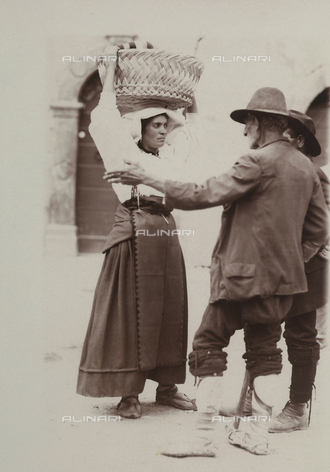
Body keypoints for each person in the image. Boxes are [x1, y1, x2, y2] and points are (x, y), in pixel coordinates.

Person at [105, 87, 328, 455]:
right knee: (265, 351)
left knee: (208, 345)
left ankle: (202, 437)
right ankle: (255, 435)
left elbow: (203, 193)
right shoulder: (306, 167)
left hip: (239, 277)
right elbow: (319, 230)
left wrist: (150, 177)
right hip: (283, 282)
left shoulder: (255, 161)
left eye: (248, 125)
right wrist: (286, 262)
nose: (245, 133)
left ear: (258, 123)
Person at [76, 44, 198, 419]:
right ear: (140, 128)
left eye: (165, 126)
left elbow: (187, 129)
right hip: (132, 231)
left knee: (171, 310)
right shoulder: (123, 154)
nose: (162, 131)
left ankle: (167, 386)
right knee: (130, 312)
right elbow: (105, 121)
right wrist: (109, 80)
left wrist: (181, 104)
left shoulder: (172, 157)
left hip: (165, 232)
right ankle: (128, 393)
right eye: (155, 126)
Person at [268, 109, 329, 433]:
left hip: (310, 265)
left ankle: (297, 408)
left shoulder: (312, 173)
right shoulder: (279, 168)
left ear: (300, 141)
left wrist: (297, 260)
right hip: (283, 263)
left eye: (286, 135)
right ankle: (257, 399)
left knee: (301, 336)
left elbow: (322, 227)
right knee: (262, 327)